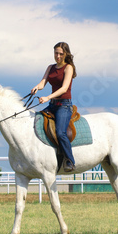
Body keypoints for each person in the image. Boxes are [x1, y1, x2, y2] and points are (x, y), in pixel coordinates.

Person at [31, 42, 77, 172]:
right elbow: (43, 83)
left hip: (64, 105)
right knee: (36, 122)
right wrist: (36, 88)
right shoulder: (50, 67)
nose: (58, 56)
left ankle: (69, 161)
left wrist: (47, 97)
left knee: (60, 132)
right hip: (52, 105)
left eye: (61, 54)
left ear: (66, 54)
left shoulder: (69, 68)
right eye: (56, 53)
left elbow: (64, 88)